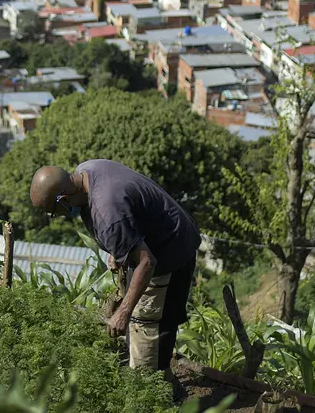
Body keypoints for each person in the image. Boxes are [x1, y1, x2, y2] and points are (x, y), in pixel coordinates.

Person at [30, 160, 199, 376]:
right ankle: (162, 375)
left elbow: (146, 262)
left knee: (146, 326)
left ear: (63, 200)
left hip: (170, 250)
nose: (55, 217)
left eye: (52, 212)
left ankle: (157, 388)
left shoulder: (107, 212)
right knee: (146, 323)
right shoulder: (87, 170)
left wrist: (123, 312)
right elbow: (129, 212)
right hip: (170, 232)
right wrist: (120, 248)